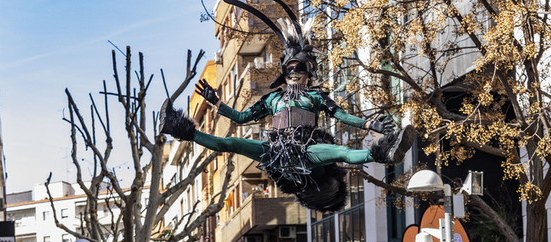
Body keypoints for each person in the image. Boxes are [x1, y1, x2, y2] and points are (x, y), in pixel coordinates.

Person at [161, 6, 414, 214]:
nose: (295, 73)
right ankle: (179, 128)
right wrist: (217, 103)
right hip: (276, 152)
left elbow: (340, 115)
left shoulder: (316, 96)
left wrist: (369, 125)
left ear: (308, 73)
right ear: (284, 72)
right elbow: (241, 118)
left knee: (343, 152)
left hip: (307, 150)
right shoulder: (272, 100)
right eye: (291, 69)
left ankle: (384, 152)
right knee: (232, 143)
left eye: (300, 69)